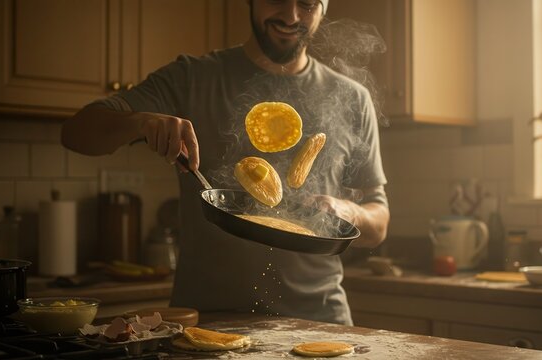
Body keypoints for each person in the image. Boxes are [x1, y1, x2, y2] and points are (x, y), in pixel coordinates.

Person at [62, 0, 389, 325]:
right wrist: (139, 122)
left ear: (324, 7)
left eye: (306, 3)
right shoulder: (192, 77)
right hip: (208, 322)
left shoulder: (351, 97)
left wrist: (346, 211)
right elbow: (76, 134)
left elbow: (378, 223)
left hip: (319, 321)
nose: (291, 16)